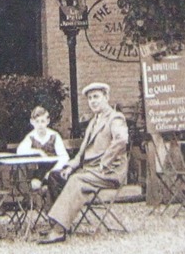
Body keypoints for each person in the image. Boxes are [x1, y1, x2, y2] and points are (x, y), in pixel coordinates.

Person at [37, 82, 130, 244]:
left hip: (108, 172)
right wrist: (70, 166)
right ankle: (57, 223)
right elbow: (82, 152)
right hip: (91, 170)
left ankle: (59, 231)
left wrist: (105, 162)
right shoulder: (94, 121)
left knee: (77, 180)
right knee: (56, 176)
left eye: (96, 97)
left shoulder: (115, 118)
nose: (93, 101)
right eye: (90, 98)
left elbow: (122, 140)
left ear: (106, 97)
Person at [15, 104, 69, 204]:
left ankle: (52, 210)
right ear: (32, 122)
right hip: (40, 172)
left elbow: (64, 157)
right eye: (37, 122)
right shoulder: (31, 136)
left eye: (43, 121)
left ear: (47, 122)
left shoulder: (54, 136)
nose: (40, 125)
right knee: (34, 184)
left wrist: (53, 171)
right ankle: (41, 202)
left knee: (53, 184)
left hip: (55, 170)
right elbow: (20, 150)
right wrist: (38, 151)